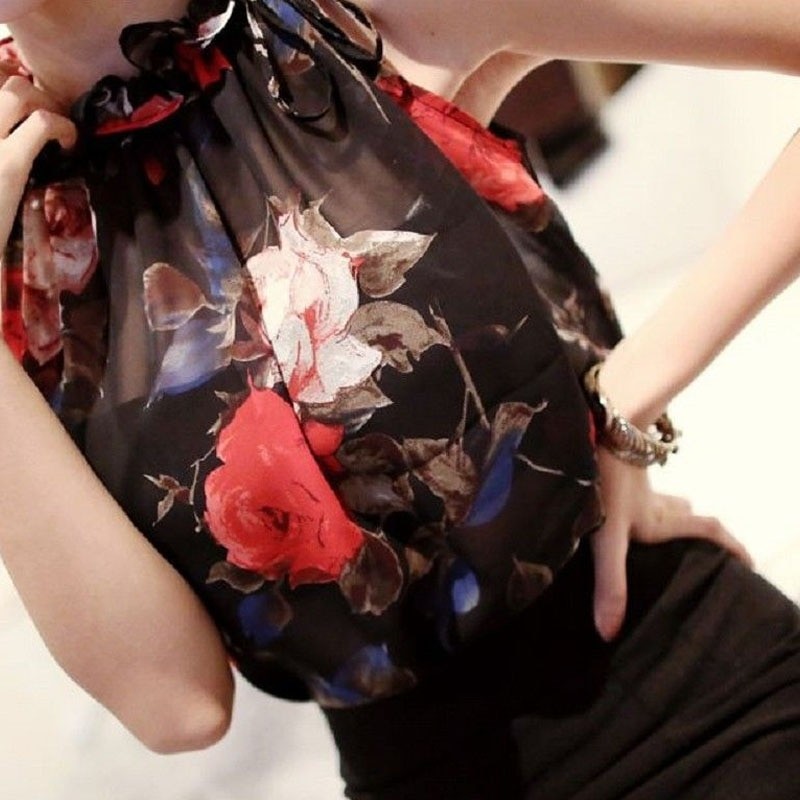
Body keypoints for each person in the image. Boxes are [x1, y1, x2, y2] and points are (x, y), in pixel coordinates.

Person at [1, 1, 798, 797]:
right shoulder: (20, 228)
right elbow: (176, 706)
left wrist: (627, 394)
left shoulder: (339, 18)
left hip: (706, 716)